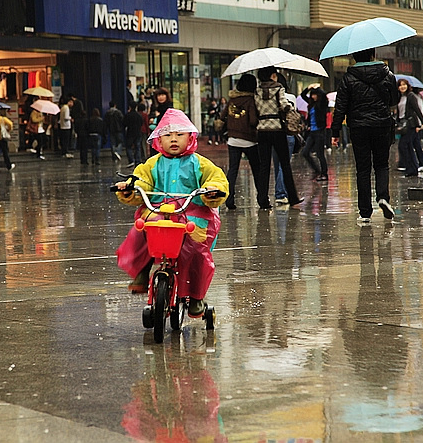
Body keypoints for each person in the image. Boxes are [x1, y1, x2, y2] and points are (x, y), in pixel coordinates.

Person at [114, 109, 228, 318]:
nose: (173, 140)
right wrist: (129, 187)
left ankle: (195, 295)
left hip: (193, 214)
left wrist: (212, 190)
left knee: (195, 249)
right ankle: (141, 271)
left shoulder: (199, 163)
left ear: (190, 137)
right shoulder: (153, 163)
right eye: (167, 135)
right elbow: (140, 180)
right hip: (159, 211)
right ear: (158, 139)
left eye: (179, 134)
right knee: (143, 228)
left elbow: (216, 179)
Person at [330, 48, 398, 225]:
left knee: (363, 168)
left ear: (354, 57)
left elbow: (340, 107)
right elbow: (394, 100)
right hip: (382, 124)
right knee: (382, 164)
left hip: (358, 127)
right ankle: (383, 198)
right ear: (372, 55)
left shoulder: (348, 78)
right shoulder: (387, 74)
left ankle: (365, 212)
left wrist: (335, 131)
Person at [254, 66, 303, 209]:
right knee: (285, 165)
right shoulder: (278, 88)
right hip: (277, 129)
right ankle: (293, 199)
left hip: (262, 130)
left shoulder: (256, 91)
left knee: (264, 166)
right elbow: (283, 105)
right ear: (272, 76)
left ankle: (263, 200)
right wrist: (289, 108)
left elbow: (256, 108)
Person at [221, 73, 261, 210]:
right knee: (257, 170)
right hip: (249, 140)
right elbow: (252, 120)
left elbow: (222, 116)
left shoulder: (232, 100)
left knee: (232, 170)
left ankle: (229, 200)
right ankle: (262, 199)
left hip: (233, 140)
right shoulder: (250, 100)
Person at [300, 85, 329, 181]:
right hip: (312, 132)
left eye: (315, 95)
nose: (313, 97)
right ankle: (317, 170)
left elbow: (324, 96)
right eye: (312, 95)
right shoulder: (311, 104)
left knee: (320, 154)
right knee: (305, 152)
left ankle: (324, 174)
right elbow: (303, 95)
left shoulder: (322, 104)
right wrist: (309, 87)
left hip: (320, 131)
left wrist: (318, 88)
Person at [397, 78, 423, 178]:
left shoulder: (411, 95)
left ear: (408, 85)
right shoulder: (399, 97)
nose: (402, 87)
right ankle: (413, 168)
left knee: (403, 145)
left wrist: (422, 122)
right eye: (400, 85)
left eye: (404, 85)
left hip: (410, 124)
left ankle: (411, 168)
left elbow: (416, 109)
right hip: (402, 124)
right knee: (408, 146)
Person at [123, 100, 143, 167]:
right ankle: (138, 160)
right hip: (138, 133)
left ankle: (131, 160)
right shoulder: (139, 115)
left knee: (129, 147)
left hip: (130, 133)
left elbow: (124, 124)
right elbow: (141, 123)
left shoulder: (128, 115)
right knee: (137, 147)